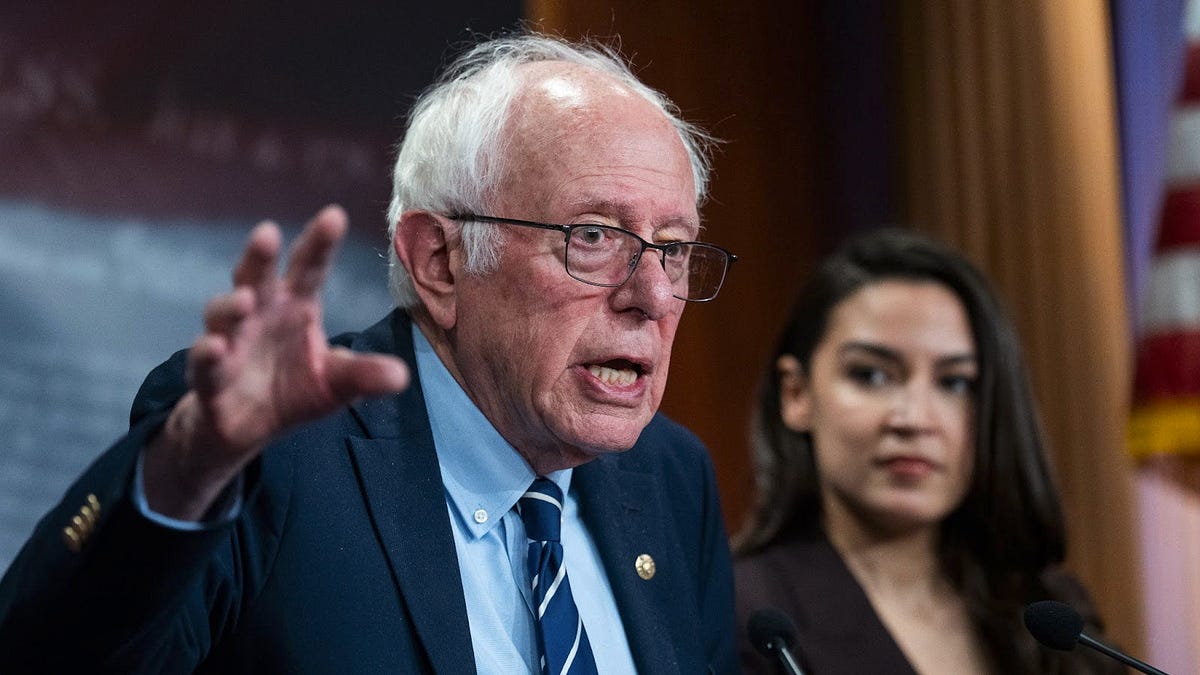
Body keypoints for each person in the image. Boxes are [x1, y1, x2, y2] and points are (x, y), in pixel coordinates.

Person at [0, 32, 740, 674]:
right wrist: (183, 468)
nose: (652, 294)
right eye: (594, 237)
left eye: (673, 250)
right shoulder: (270, 458)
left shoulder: (670, 479)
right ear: (440, 261)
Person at [733, 229, 1123, 674]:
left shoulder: (1052, 616)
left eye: (954, 383)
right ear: (796, 395)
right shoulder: (748, 615)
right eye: (871, 376)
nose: (915, 418)